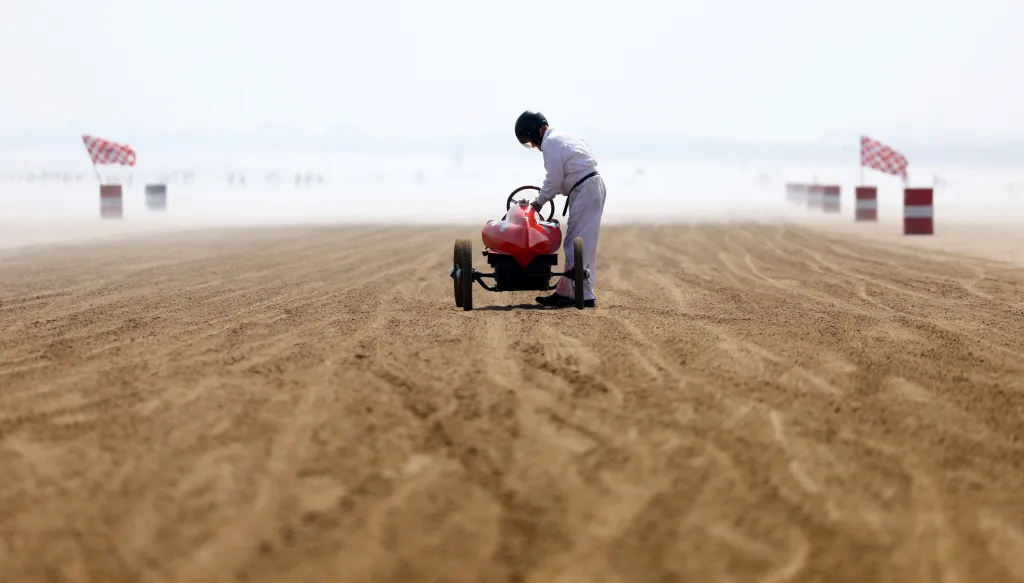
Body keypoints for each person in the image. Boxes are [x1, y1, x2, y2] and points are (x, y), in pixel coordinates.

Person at [515, 110, 606, 308]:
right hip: (590, 187)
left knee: (576, 243)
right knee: (581, 242)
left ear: (536, 132)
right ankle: (566, 291)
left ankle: (584, 294)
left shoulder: (550, 144)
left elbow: (554, 180)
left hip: (584, 189)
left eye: (532, 142)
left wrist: (537, 203)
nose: (535, 147)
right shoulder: (567, 137)